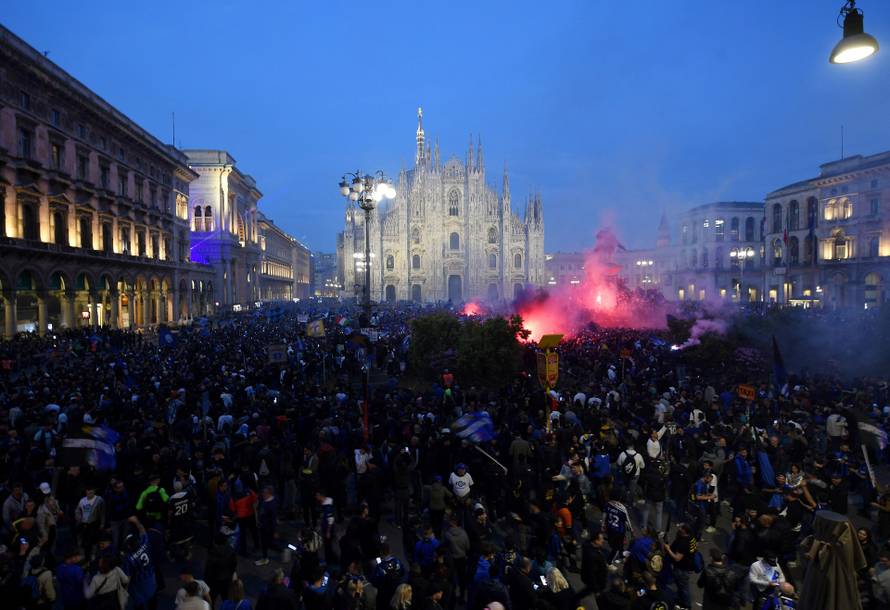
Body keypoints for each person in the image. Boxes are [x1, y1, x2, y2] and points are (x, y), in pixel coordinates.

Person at [122, 516, 157, 610]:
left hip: (139, 585)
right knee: (152, 599)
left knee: (139, 604)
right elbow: (142, 531)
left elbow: (127, 579)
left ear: (129, 546)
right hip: (151, 578)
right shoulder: (144, 543)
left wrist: (123, 593)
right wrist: (137, 521)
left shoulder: (129, 559)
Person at [662, 523, 697, 610]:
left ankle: (687, 605)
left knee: (684, 587)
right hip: (688, 565)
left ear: (684, 531)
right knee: (681, 586)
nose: (679, 528)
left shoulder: (683, 543)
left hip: (682, 569)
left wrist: (668, 549)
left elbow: (677, 558)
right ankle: (681, 599)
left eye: (681, 527)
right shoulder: (692, 537)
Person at [581, 529, 609, 597]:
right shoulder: (592, 555)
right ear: (596, 541)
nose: (603, 541)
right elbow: (591, 574)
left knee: (587, 591)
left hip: (593, 580)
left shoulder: (591, 547)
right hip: (597, 581)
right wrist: (596, 590)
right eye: (601, 539)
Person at [256, 485, 279, 566]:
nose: (262, 494)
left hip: (267, 528)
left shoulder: (271, 505)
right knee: (267, 542)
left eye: (264, 493)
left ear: (269, 493)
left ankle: (265, 558)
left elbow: (273, 519)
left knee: (265, 543)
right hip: (263, 526)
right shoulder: (265, 501)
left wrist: (275, 531)